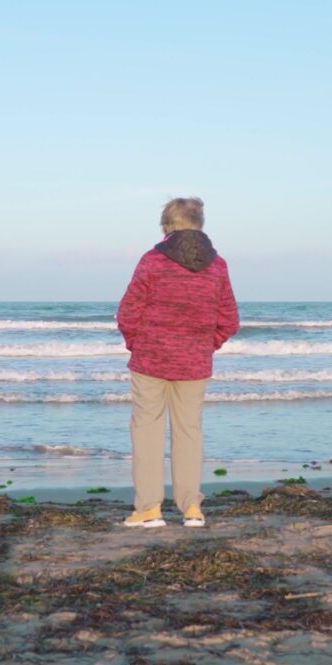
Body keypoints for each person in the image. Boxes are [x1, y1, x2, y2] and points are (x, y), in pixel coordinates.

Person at [116, 197, 239, 528]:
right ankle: (191, 508)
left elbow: (129, 311)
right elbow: (229, 319)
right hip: (193, 362)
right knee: (189, 432)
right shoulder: (218, 265)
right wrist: (202, 347)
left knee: (147, 431)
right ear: (199, 225)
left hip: (151, 359)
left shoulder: (153, 260)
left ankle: (149, 509)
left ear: (167, 226)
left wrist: (138, 345)